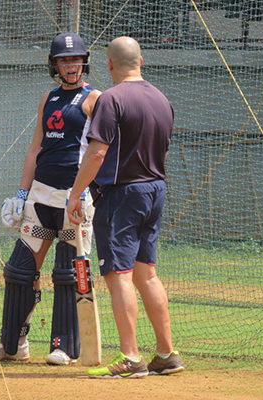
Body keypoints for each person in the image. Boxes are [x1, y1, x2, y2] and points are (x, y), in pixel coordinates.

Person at [0, 33, 101, 366]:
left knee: (66, 271)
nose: (70, 66)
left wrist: (86, 193)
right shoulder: (47, 98)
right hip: (40, 197)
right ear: (55, 65)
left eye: (75, 60)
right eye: (64, 61)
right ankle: (12, 346)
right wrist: (21, 194)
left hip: (73, 200)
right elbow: (36, 149)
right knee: (19, 271)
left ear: (84, 62)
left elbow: (100, 151)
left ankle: (65, 346)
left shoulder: (95, 99)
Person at [67, 36, 184, 378]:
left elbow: (97, 152)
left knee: (118, 276)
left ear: (109, 64)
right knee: (146, 273)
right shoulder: (162, 99)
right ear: (141, 61)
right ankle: (166, 353)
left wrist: (76, 194)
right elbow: (163, 152)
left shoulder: (111, 99)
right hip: (155, 189)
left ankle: (132, 358)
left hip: (121, 195)